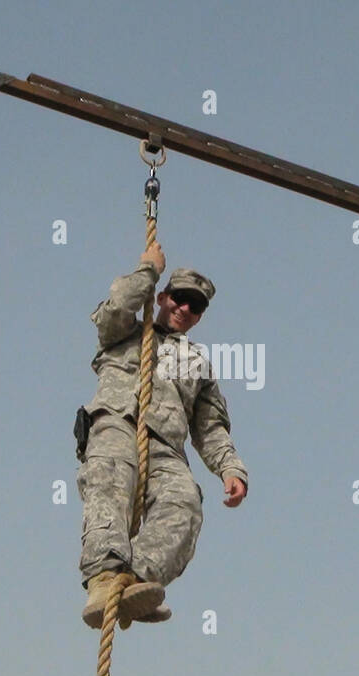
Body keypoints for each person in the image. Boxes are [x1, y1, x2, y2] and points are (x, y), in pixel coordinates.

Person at [75, 241, 248, 628]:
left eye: (196, 306)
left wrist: (231, 469)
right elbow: (118, 305)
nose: (185, 309)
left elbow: (210, 426)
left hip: (167, 447)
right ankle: (104, 580)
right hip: (119, 422)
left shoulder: (197, 362)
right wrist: (147, 270)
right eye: (180, 298)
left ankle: (135, 581)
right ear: (163, 297)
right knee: (111, 483)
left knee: (185, 503)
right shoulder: (125, 331)